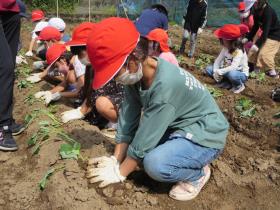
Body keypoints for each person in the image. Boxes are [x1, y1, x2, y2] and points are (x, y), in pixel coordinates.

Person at [85, 17, 229, 201]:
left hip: (205, 134)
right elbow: (128, 117)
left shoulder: (165, 87)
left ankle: (197, 174)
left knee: (154, 164)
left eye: (115, 72)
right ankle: (179, 155)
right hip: (178, 127)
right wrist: (116, 159)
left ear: (133, 58)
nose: (114, 79)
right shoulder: (137, 74)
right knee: (138, 144)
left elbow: (144, 141)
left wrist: (119, 174)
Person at [0, 0, 24, 151]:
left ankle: (6, 118)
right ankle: (3, 125)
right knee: (4, 66)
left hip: (11, 9)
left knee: (9, 67)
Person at [205, 24, 249, 94]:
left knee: (232, 74)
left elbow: (233, 67)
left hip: (239, 73)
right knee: (209, 69)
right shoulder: (225, 48)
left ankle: (239, 86)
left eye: (223, 38)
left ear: (230, 41)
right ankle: (226, 83)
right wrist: (215, 71)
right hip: (226, 70)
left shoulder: (238, 51)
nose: (221, 40)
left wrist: (220, 72)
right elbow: (217, 61)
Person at [244, 0, 280, 78]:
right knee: (253, 53)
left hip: (274, 36)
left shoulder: (268, 11)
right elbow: (256, 27)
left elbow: (266, 31)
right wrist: (247, 38)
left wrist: (257, 45)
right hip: (265, 34)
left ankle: (273, 73)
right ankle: (256, 71)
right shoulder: (256, 10)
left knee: (264, 55)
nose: (254, 5)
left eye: (256, 3)